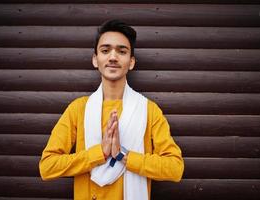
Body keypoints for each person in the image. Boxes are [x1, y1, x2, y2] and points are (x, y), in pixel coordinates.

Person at [39, 19, 184, 200]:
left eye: (122, 51)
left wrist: (123, 155)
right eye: (105, 50)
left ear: (131, 62)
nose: (113, 57)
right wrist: (99, 153)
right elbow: (47, 166)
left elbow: (175, 168)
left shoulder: (149, 110)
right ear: (95, 59)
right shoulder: (78, 109)